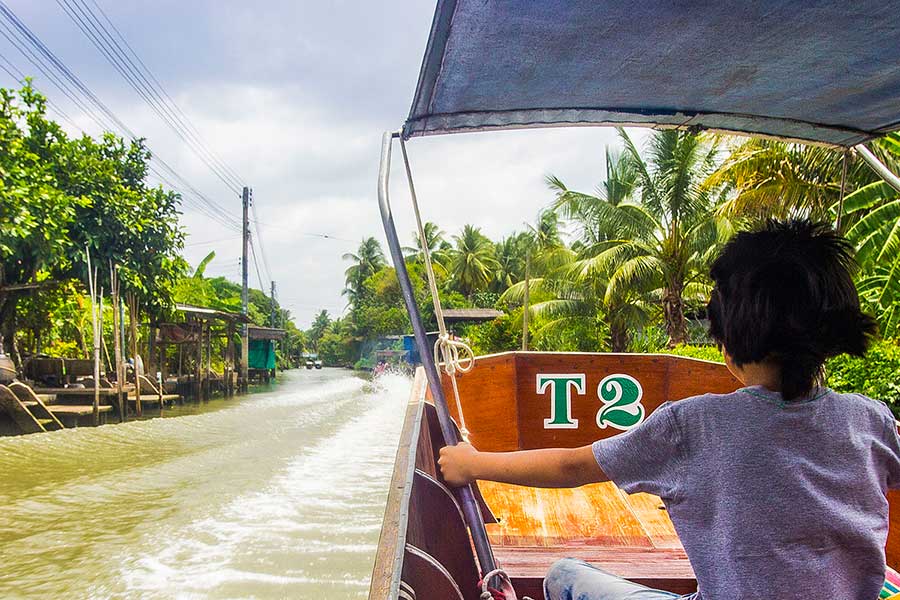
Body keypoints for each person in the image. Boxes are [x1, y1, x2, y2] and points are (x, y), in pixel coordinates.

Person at [439, 219, 897, 600]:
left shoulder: (693, 425)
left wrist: (472, 463)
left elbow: (571, 465)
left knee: (563, 576)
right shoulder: (873, 421)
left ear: (727, 346)